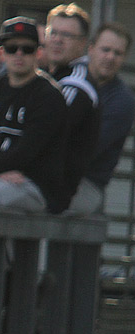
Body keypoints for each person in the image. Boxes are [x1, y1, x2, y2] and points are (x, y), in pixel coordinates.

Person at [0, 17, 68, 214]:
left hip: (33, 186)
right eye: (12, 48)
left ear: (38, 53)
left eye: (27, 49)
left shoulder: (49, 96)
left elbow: (24, 155)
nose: (19, 54)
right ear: (2, 53)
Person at [71, 22, 135, 214]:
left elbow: (88, 149)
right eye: (105, 49)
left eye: (118, 53)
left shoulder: (122, 101)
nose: (110, 57)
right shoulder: (71, 75)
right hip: (50, 173)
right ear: (91, 49)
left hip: (86, 184)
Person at [43, 3, 100, 212]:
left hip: (53, 193)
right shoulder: (47, 76)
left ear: (82, 43)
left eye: (67, 35)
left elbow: (46, 136)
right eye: (54, 32)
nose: (57, 40)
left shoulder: (76, 84)